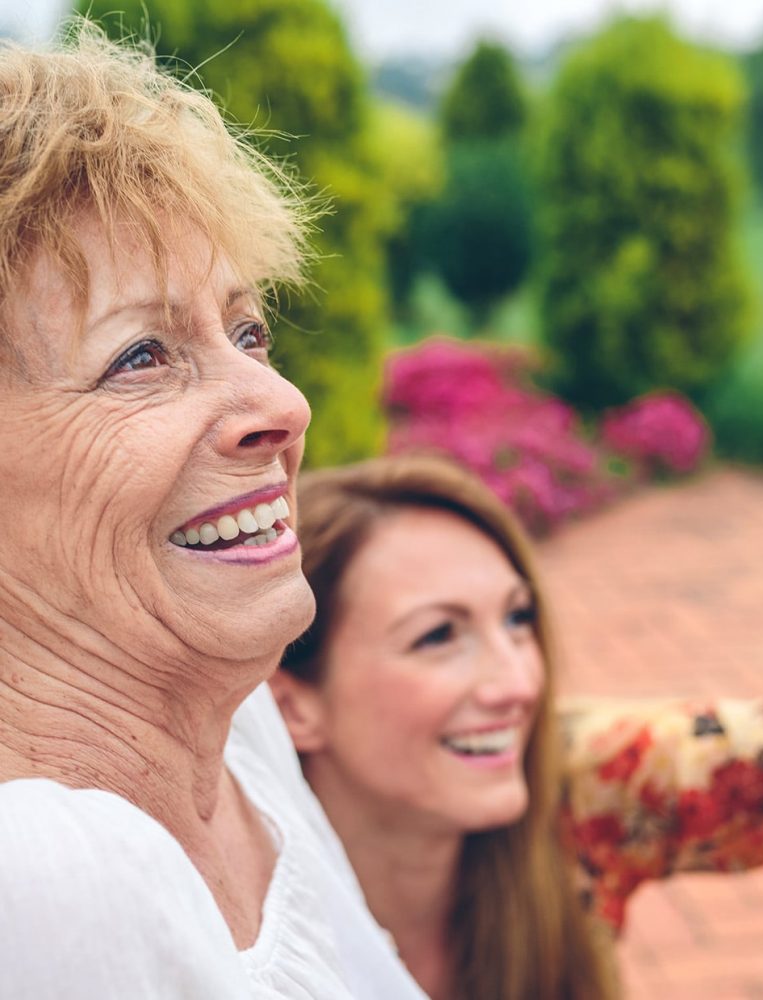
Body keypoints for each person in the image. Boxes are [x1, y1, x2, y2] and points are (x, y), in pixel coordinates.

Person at [0, 24, 428, 999]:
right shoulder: (42, 881)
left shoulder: (234, 724)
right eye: (140, 357)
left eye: (248, 331)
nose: (285, 406)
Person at [273, 453, 763, 1000]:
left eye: (517, 618)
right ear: (290, 704)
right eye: (438, 637)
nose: (520, 683)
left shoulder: (580, 779)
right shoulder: (214, 909)